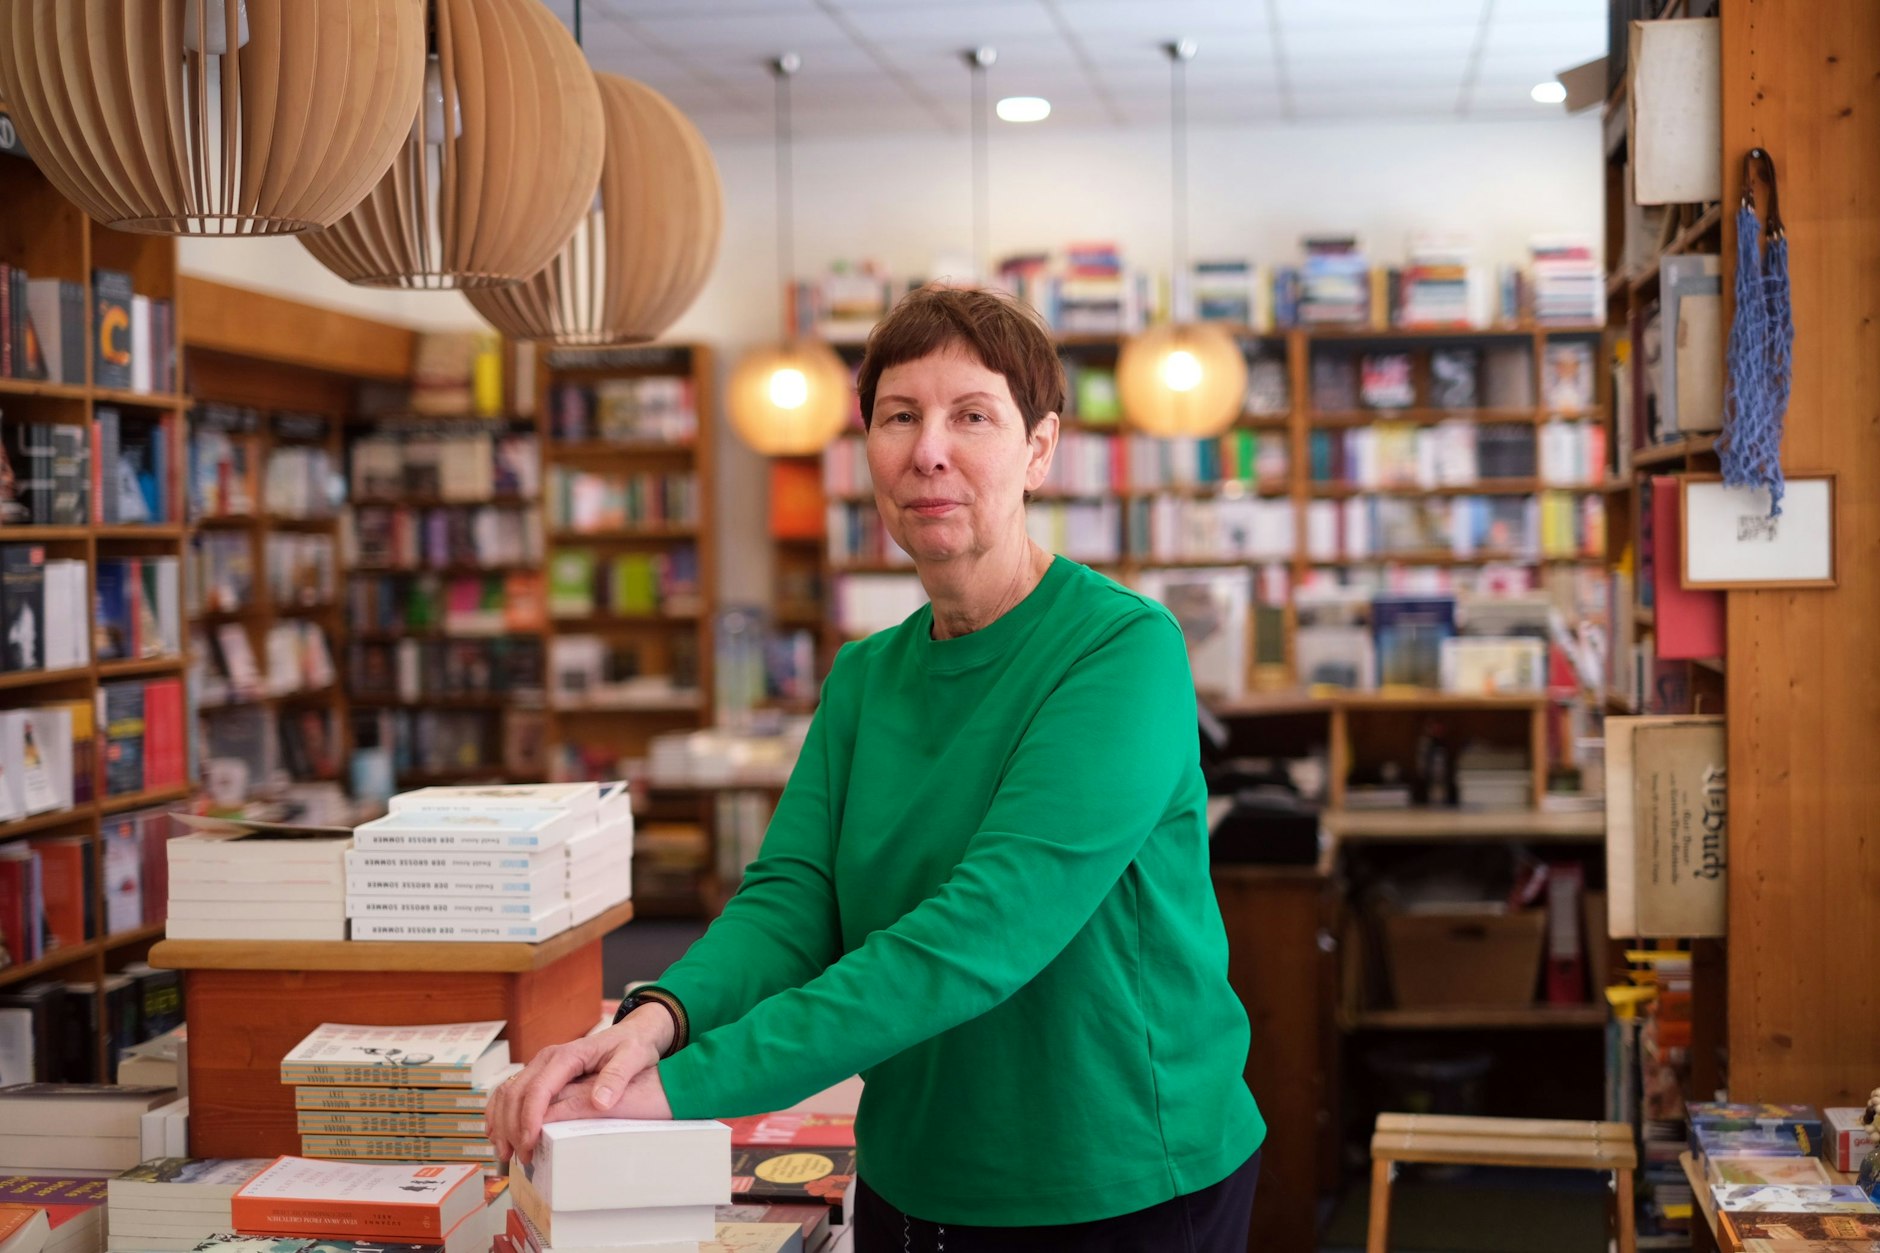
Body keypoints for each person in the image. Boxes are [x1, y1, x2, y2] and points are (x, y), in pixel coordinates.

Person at [486, 285, 1265, 1251]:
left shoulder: (1122, 652)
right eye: (899, 416)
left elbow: (983, 930)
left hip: (1118, 1180)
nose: (928, 449)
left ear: (1039, 448)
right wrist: (656, 1021)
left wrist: (679, 1090)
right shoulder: (865, 675)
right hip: (911, 1173)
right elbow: (790, 901)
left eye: (972, 415)